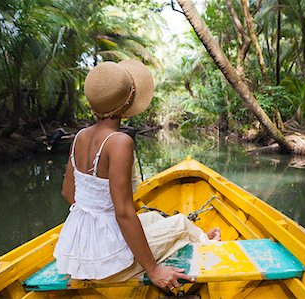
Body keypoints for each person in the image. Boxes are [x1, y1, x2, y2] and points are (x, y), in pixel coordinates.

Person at [53, 60, 220, 291]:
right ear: (127, 103)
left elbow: (68, 192)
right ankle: (206, 242)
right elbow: (123, 213)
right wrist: (153, 271)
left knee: (153, 219)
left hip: (77, 249)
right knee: (181, 223)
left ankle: (198, 236)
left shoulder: (80, 136)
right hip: (105, 261)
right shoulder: (120, 142)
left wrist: (98, 221)